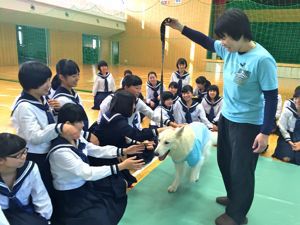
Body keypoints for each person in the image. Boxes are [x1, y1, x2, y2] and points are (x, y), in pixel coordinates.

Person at [167, 8, 278, 225]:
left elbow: (271, 98)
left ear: (240, 34)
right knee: (225, 161)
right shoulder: (230, 50)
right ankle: (234, 198)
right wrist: (181, 27)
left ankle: (237, 214)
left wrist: (265, 133)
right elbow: (205, 41)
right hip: (226, 117)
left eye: (225, 37)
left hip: (248, 124)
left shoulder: (263, 60)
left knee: (242, 170)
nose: (222, 42)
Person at [49, 103, 145, 225]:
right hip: (71, 196)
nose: (83, 125)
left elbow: (95, 149)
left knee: (119, 187)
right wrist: (121, 166)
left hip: (85, 186)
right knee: (101, 217)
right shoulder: (60, 152)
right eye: (79, 122)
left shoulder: (75, 137)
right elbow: (87, 173)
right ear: (67, 125)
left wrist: (123, 151)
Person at [11, 61, 78, 194]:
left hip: (47, 150)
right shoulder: (25, 107)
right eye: (45, 82)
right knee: (43, 189)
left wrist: (57, 111)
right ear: (32, 84)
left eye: (49, 80)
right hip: (36, 156)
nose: (49, 84)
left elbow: (45, 121)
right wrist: (59, 128)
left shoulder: (42, 98)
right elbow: (35, 137)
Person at [0, 133, 52, 225]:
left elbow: (41, 195)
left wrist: (45, 220)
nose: (24, 156)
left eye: (24, 151)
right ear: (1, 160)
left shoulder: (30, 168)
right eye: (18, 155)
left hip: (25, 214)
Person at [272, 90, 300, 165]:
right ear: (295, 99)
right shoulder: (288, 110)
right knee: (287, 158)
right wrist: (290, 141)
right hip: (287, 136)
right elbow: (282, 127)